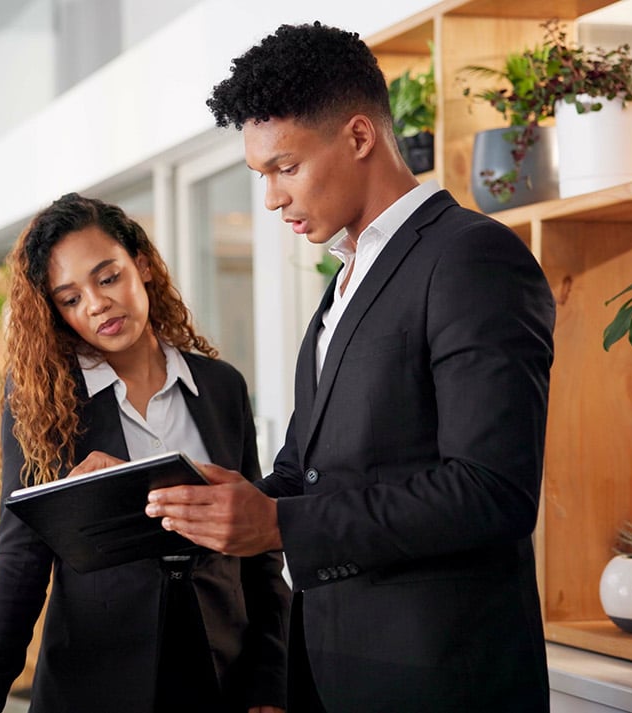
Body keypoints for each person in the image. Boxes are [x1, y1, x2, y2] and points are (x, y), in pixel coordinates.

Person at [143, 22, 556, 712]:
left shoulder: (472, 258)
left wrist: (279, 525)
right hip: (332, 671)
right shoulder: (343, 283)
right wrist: (208, 502)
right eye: (262, 175)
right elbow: (308, 468)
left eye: (285, 167)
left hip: (440, 680)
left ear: (359, 137)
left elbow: (492, 490)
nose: (272, 197)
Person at [0, 193, 288, 713]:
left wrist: (269, 675)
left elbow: (259, 546)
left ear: (143, 265)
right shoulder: (44, 404)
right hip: (97, 681)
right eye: (70, 298)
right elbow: (22, 559)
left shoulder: (220, 388)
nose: (96, 304)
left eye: (107, 278)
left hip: (221, 673)